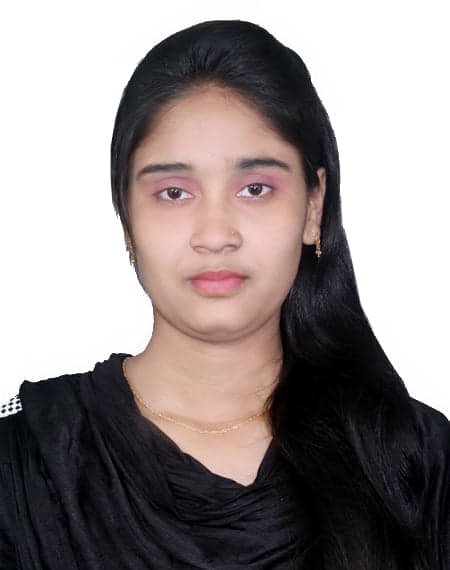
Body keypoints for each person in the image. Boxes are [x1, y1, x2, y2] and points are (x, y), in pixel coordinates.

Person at [0, 19, 448, 570]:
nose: (215, 235)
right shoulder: (25, 459)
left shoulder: (413, 458)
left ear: (313, 207)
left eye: (255, 189)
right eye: (173, 193)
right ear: (126, 216)